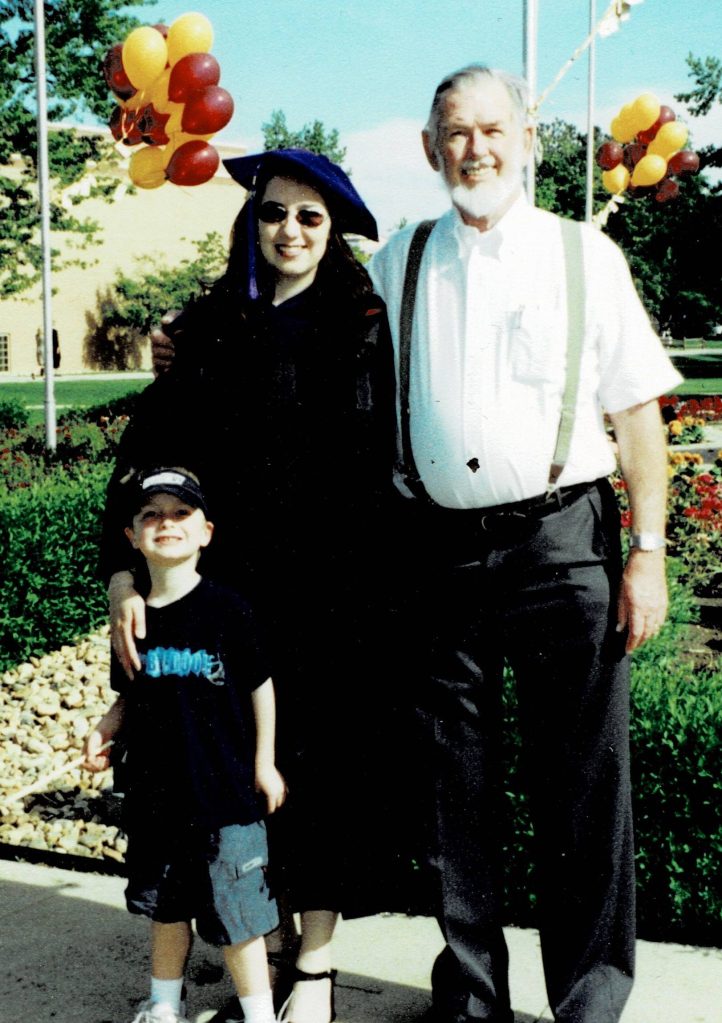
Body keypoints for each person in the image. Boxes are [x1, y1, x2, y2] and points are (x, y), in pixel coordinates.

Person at [367, 65, 683, 1023]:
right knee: (449, 785)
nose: (477, 148)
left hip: (561, 542)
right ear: (430, 150)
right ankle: (471, 996)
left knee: (585, 783)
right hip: (438, 550)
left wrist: (649, 552)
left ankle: (590, 996)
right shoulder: (399, 259)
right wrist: (184, 338)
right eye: (456, 133)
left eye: (493, 129)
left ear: (527, 139)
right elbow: (305, 326)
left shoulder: (586, 255)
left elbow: (636, 421)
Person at [100, 149, 402, 1023]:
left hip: (335, 599)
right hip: (226, 597)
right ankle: (255, 959)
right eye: (275, 213)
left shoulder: (364, 326)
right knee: (233, 781)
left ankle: (316, 965)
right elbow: (148, 459)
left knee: (322, 779)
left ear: (333, 230)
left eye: (311, 217)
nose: (290, 231)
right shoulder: (210, 329)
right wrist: (123, 565)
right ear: (252, 219)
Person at [85, 466, 286, 1023]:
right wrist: (105, 728)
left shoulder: (229, 610)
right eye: (151, 515)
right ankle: (163, 1005)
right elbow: (129, 693)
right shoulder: (133, 620)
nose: (165, 524)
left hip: (225, 801)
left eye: (181, 514)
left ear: (206, 532)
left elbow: (260, 688)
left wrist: (264, 763)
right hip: (156, 803)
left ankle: (260, 1015)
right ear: (131, 537)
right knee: (166, 912)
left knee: (237, 921)